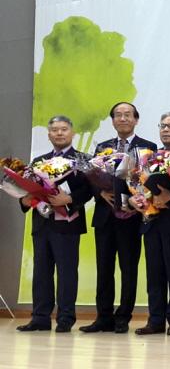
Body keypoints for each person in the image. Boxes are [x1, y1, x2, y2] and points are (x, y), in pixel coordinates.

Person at [80, 102, 157, 334]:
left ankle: (123, 317)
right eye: (118, 115)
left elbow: (149, 181)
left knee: (128, 268)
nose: (123, 119)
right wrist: (100, 192)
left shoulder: (148, 147)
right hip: (105, 216)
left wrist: (135, 199)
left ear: (136, 119)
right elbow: (91, 178)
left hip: (132, 216)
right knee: (104, 268)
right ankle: (103, 317)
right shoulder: (102, 147)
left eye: (127, 115)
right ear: (112, 120)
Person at [17, 115, 92, 332]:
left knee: (67, 272)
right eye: (55, 130)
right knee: (41, 272)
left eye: (64, 129)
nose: (59, 133)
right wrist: (24, 199)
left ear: (72, 133)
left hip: (68, 223)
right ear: (49, 135)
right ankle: (40, 317)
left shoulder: (83, 159)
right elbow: (28, 189)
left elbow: (91, 189)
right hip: (42, 223)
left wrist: (69, 199)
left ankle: (66, 318)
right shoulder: (38, 161)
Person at [131, 112, 170, 336]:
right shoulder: (150, 158)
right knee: (154, 272)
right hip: (151, 220)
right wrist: (137, 200)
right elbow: (139, 185)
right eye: (162, 126)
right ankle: (155, 319)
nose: (165, 129)